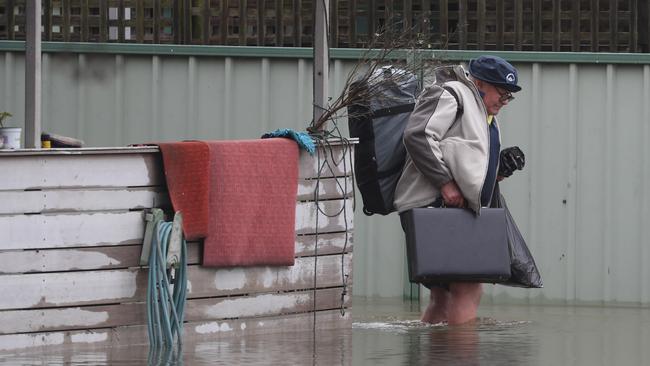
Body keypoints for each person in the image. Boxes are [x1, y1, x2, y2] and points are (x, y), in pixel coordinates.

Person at [394, 55, 523, 325]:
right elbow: (417, 135)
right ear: (478, 83)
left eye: (509, 96)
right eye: (501, 92)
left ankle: (437, 355)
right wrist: (445, 183)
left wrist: (499, 171)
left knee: (443, 296)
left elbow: (462, 161)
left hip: (445, 211)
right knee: (468, 289)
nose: (504, 100)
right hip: (436, 208)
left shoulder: (484, 114)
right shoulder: (452, 95)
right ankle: (463, 357)